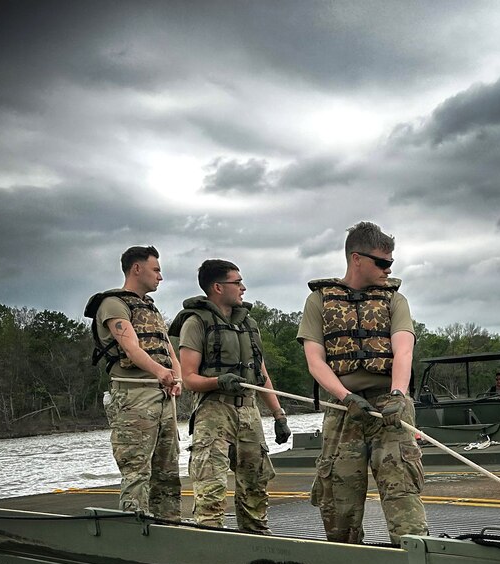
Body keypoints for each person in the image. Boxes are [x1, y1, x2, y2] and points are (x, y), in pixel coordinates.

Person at [297, 222, 428, 545]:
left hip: (389, 405)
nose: (388, 269)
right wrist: (345, 397)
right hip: (344, 409)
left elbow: (404, 349)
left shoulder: (394, 301)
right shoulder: (319, 301)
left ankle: (415, 561)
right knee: (338, 501)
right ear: (356, 259)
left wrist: (398, 393)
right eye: (381, 262)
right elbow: (315, 360)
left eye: (390, 263)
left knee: (402, 492)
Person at [170, 260, 290, 532]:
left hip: (249, 412)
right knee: (211, 489)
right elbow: (188, 378)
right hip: (214, 412)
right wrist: (218, 381)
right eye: (237, 282)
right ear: (217, 287)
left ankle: (257, 539)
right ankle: (211, 545)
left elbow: (261, 374)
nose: (243, 288)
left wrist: (278, 414)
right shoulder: (196, 322)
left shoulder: (249, 324)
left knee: (255, 485)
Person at [84, 246, 183, 519]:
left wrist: (177, 377)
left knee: (167, 471)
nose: (160, 277)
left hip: (163, 398)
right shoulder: (113, 304)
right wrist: (160, 373)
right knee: (137, 471)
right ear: (137, 269)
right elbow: (131, 348)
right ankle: (135, 530)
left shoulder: (150, 308)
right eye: (156, 270)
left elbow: (167, 349)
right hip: (133, 398)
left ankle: (170, 526)